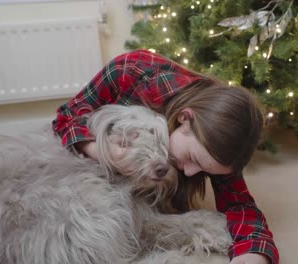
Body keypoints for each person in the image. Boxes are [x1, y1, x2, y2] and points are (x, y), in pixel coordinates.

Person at [52, 50, 279, 264]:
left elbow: (239, 204)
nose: (189, 172)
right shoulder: (131, 71)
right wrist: (101, 151)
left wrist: (255, 253)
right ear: (184, 119)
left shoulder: (219, 140)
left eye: (203, 170)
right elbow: (66, 117)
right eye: (193, 159)